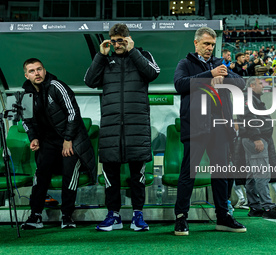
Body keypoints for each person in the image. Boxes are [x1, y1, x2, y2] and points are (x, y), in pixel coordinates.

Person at [84, 23, 160, 231]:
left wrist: (133, 51)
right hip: (111, 129)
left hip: (137, 128)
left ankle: (138, 215)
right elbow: (89, 81)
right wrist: (101, 55)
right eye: (114, 40)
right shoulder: (105, 60)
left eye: (121, 40)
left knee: (138, 176)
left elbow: (153, 74)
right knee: (111, 175)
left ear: (128, 39)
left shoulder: (142, 55)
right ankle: (113, 215)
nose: (117, 44)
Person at [173, 27, 246, 236]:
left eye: (212, 45)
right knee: (189, 173)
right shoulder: (185, 63)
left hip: (221, 126)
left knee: (221, 174)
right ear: (196, 43)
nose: (209, 48)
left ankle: (223, 216)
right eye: (206, 44)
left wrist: (225, 74)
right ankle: (181, 218)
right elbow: (179, 85)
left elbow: (240, 84)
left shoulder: (219, 64)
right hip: (195, 126)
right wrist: (209, 75)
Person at [20, 58, 96, 230]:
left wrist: (68, 140)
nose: (37, 73)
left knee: (70, 171)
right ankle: (36, 215)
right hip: (48, 142)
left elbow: (73, 113)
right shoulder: (25, 94)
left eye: (39, 69)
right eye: (32, 71)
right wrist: (33, 138)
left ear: (44, 71)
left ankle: (67, 215)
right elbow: (26, 120)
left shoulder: (57, 86)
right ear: (26, 75)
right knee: (41, 174)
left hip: (72, 140)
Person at [237, 77, 276, 220]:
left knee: (252, 175)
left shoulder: (250, 97)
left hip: (252, 138)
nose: (263, 86)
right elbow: (249, 117)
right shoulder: (248, 98)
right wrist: (256, 138)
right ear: (252, 86)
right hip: (255, 139)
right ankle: (267, 207)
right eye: (261, 84)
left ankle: (255, 207)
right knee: (261, 174)